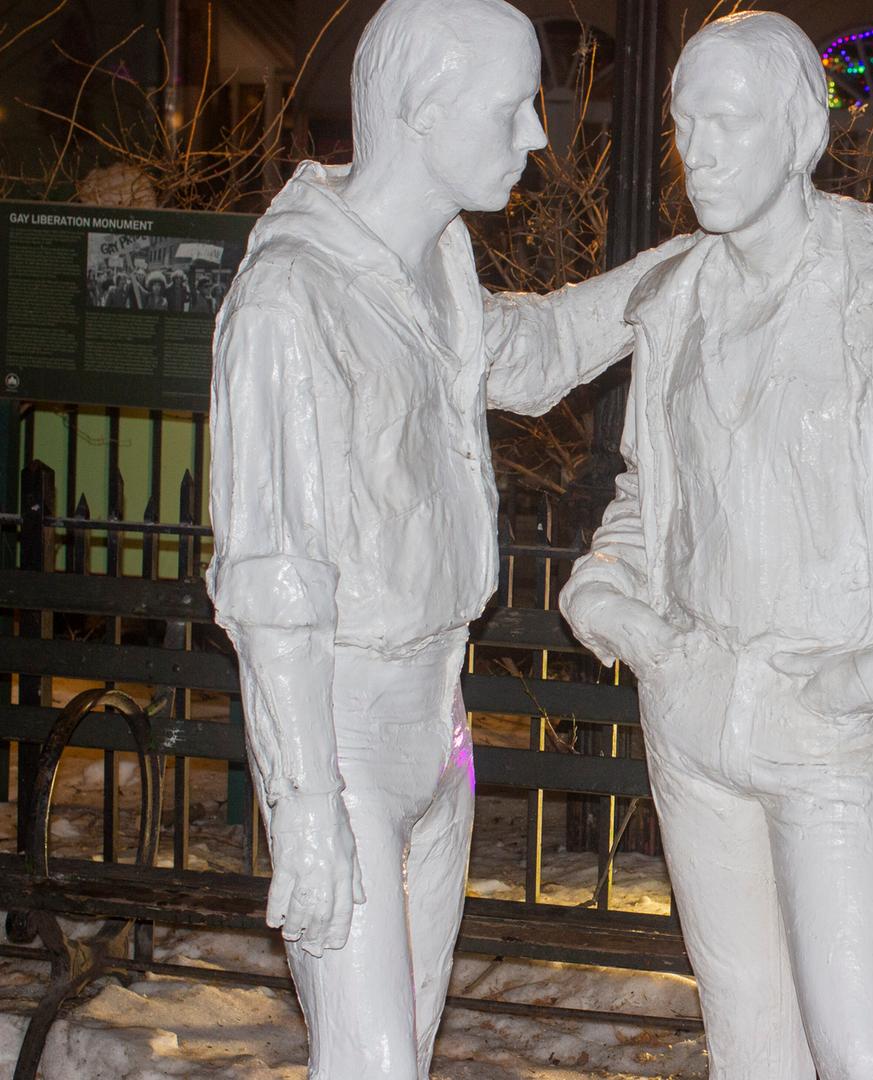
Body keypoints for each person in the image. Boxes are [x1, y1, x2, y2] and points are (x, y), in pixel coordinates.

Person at [559, 12, 873, 1079]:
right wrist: (614, 598)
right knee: (747, 1043)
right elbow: (652, 496)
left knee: (863, 1051)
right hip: (692, 713)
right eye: (685, 121)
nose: (699, 148)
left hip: (826, 721)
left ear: (800, 134)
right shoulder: (679, 303)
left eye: (730, 121)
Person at [206, 0, 660, 1075]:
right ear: (419, 109)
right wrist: (306, 800)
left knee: (399, 1046)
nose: (537, 136)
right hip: (344, 728)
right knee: (372, 1063)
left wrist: (670, 272)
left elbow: (538, 349)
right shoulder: (289, 301)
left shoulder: (437, 267)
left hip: (437, 723)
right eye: (511, 107)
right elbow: (275, 585)